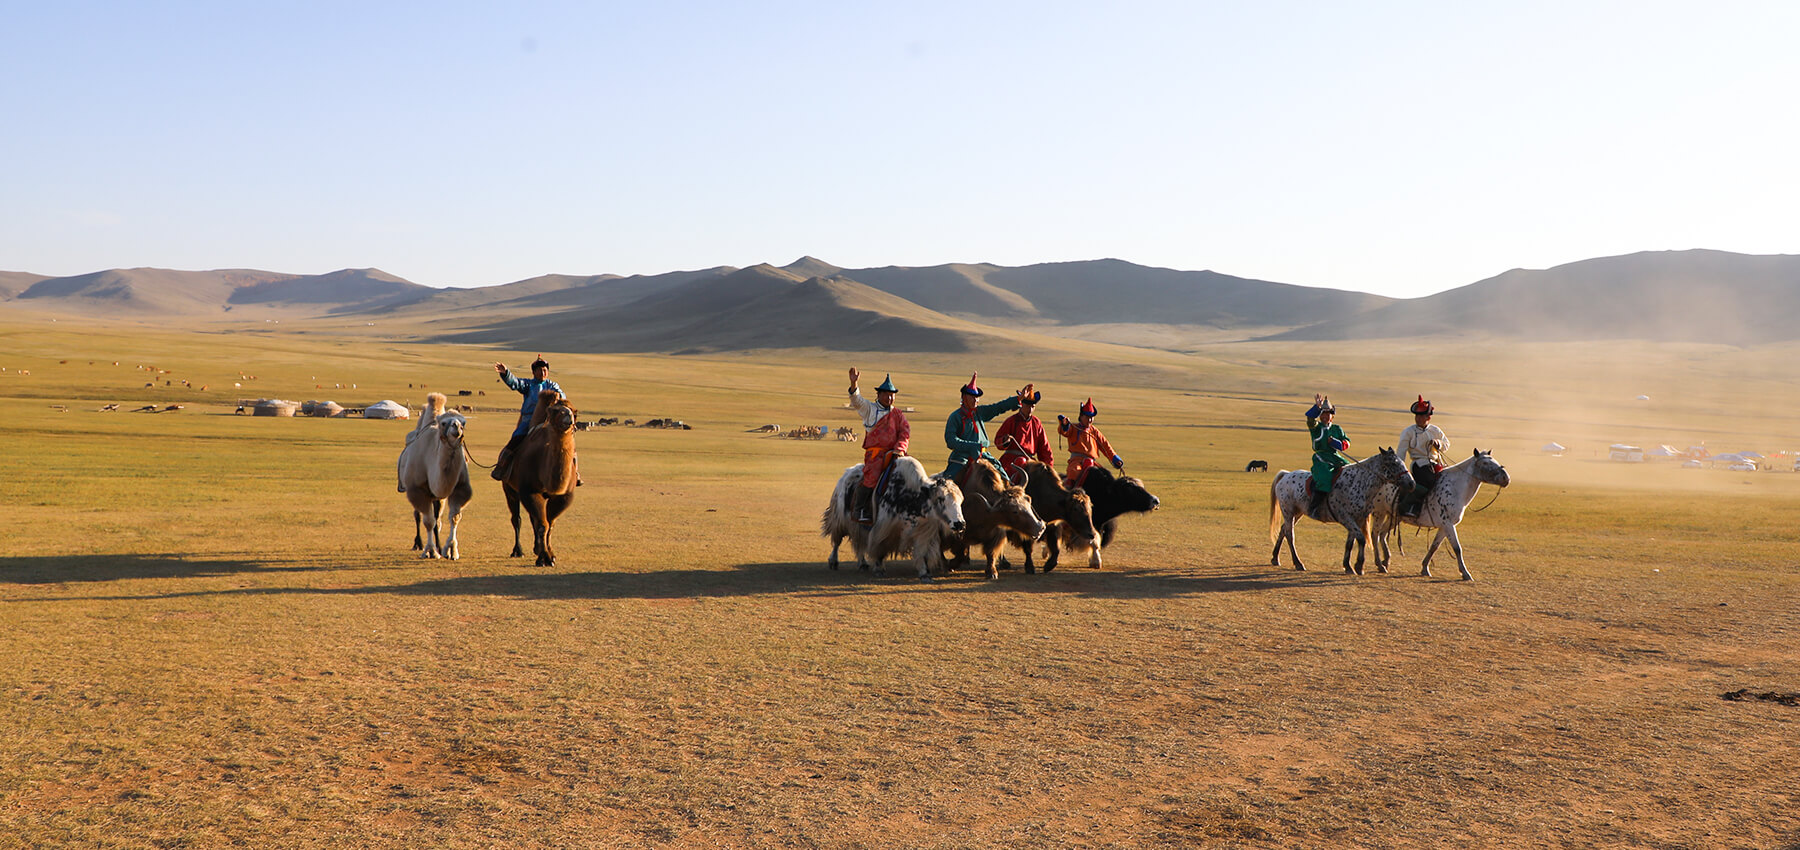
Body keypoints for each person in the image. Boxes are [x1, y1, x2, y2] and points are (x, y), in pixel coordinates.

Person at [492, 356, 579, 485]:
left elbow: (562, 395)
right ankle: (502, 467)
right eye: (540, 370)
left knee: (567, 444)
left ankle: (575, 473)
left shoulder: (552, 385)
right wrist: (506, 374)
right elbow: (515, 383)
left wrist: (557, 396)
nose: (543, 373)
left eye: (545, 370)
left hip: (549, 420)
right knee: (516, 439)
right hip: (529, 420)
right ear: (534, 372)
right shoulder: (528, 385)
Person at [847, 368, 910, 525]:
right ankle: (859, 509)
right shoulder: (870, 409)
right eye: (886, 394)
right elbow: (856, 401)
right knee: (872, 477)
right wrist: (854, 383)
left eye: (892, 394)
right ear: (879, 395)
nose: (890, 397)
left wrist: (899, 449)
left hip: (896, 453)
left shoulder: (898, 415)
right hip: (875, 455)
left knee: (911, 472)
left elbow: (905, 432)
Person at [942, 373, 1031, 481]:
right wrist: (971, 446)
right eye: (972, 397)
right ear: (964, 397)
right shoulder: (955, 417)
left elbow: (998, 407)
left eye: (977, 397)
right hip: (962, 457)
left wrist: (1018, 399)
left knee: (1003, 477)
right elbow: (951, 440)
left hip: (983, 454)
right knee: (948, 483)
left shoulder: (980, 412)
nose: (976, 400)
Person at [1396, 395, 1449, 518]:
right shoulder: (1408, 432)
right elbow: (1401, 452)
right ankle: (1408, 505)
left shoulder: (1435, 430)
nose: (1418, 419)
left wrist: (1438, 443)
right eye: (1417, 416)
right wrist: (1402, 470)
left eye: (1421, 416)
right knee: (1429, 481)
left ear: (1428, 417)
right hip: (1419, 464)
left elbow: (1446, 444)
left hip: (1435, 463)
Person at [1055, 397, 1123, 488]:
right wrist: (1064, 425)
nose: (1089, 420)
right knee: (1073, 472)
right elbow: (1064, 432)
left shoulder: (1094, 431)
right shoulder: (1073, 428)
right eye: (1087, 417)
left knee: (1104, 478)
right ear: (1081, 416)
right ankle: (1068, 493)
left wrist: (1114, 458)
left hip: (1091, 462)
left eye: (1091, 418)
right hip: (1076, 461)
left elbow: (1105, 445)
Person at [993, 387, 1052, 485]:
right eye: (1028, 405)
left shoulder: (1037, 423)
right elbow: (998, 441)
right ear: (1021, 405)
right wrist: (1005, 440)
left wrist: (1048, 468)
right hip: (1010, 461)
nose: (1030, 409)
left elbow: (1044, 448)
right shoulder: (1011, 420)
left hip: (1030, 461)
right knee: (1002, 481)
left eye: (1032, 406)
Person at [1306, 393, 1350, 518]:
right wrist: (1317, 407)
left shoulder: (1337, 429)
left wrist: (1336, 443)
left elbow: (1346, 443)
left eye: (1328, 414)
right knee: (1324, 477)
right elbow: (1310, 420)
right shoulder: (1316, 428)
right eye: (1323, 414)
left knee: (1351, 472)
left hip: (1335, 457)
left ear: (1332, 416)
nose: (1325, 416)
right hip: (1321, 458)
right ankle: (1314, 508)